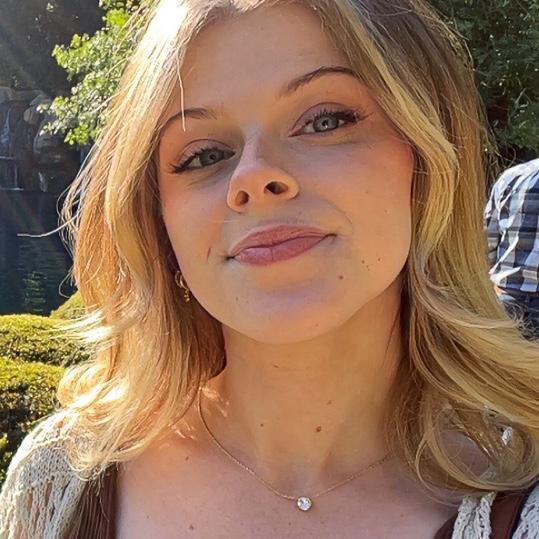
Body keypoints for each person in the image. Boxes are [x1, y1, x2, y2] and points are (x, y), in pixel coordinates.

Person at [1, 1, 539, 537]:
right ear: (157, 221)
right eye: (203, 155)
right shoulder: (58, 484)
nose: (255, 177)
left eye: (324, 121)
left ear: (427, 159)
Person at [485, 158, 539, 341]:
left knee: (501, 359)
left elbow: (487, 243)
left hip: (507, 301)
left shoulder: (513, 177)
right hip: (507, 298)